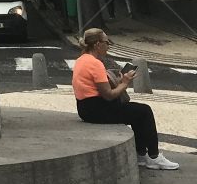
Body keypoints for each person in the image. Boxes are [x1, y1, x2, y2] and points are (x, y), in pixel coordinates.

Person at [72, 28, 178, 170]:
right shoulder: (95, 64)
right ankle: (154, 156)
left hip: (85, 107)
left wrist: (120, 82)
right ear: (97, 44)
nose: (108, 46)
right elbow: (109, 95)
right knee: (145, 111)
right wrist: (125, 82)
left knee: (136, 112)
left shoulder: (81, 59)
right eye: (106, 42)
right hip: (96, 109)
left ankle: (141, 154)